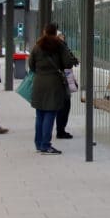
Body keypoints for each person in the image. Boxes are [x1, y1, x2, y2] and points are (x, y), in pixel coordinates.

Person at [30, 23, 77, 154]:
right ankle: (46, 145)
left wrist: (40, 71)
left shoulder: (37, 46)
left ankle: (39, 144)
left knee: (40, 115)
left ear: (44, 31)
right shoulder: (59, 45)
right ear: (55, 32)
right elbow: (68, 63)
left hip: (39, 83)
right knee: (50, 114)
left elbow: (31, 65)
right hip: (54, 83)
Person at [55, 31, 79, 139]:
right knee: (65, 104)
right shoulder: (61, 47)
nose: (63, 37)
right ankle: (61, 130)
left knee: (62, 104)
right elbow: (68, 62)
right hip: (63, 77)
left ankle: (60, 129)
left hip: (59, 77)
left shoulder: (48, 46)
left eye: (63, 36)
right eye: (60, 36)